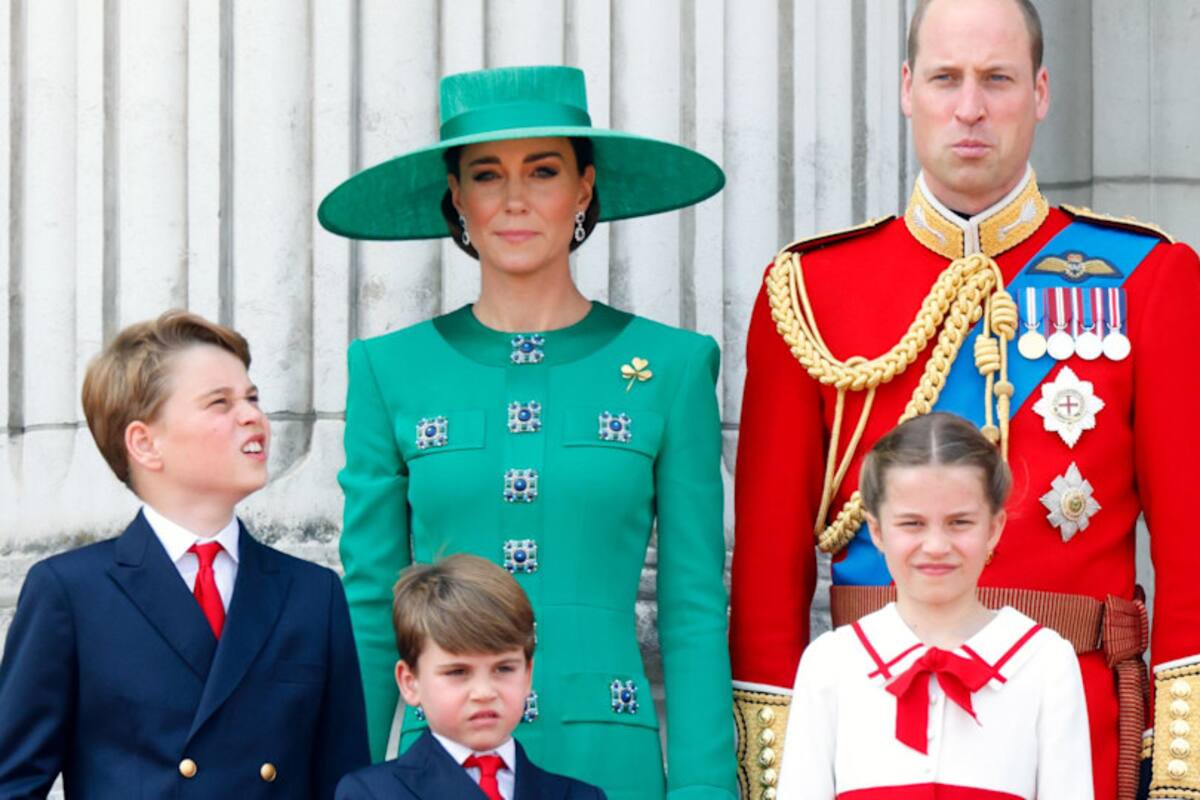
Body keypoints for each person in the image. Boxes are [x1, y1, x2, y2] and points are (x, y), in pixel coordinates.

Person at [728, 1, 1200, 799]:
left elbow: (1191, 553)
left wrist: (1179, 767)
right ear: (908, 88)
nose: (970, 107)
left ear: (1042, 92)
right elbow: (768, 583)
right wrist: (772, 770)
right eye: (946, 78)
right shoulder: (809, 292)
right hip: (868, 724)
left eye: (998, 79)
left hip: (1078, 723)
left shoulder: (1146, 278)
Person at [319, 65, 737, 799]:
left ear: (583, 188)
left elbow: (694, 606)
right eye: (487, 175)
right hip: (436, 768)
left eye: (542, 171)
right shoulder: (389, 370)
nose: (514, 200)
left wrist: (704, 788)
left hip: (612, 759)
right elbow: (369, 604)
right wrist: (341, 781)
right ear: (457, 197)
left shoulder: (671, 368)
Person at [0, 310, 370, 798]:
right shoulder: (71, 592)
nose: (251, 416)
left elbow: (344, 783)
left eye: (252, 398)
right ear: (145, 443)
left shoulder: (312, 593)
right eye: (220, 402)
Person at [775, 412, 1092, 799]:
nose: (937, 546)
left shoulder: (1045, 663)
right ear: (876, 530)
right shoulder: (831, 664)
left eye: (959, 523)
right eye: (912, 524)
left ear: (994, 528)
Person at [335, 554, 605, 799]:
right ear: (410, 682)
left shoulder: (580, 796)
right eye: (458, 672)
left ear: (527, 674)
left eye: (504, 669)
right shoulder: (370, 793)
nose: (484, 692)